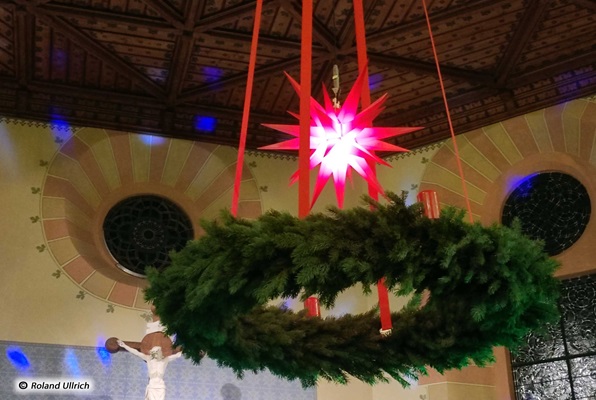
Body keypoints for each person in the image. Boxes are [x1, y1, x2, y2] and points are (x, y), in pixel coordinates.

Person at [117, 339, 182, 400]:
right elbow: (136, 352)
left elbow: (178, 355)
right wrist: (125, 346)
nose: (156, 353)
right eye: (155, 352)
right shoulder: (148, 359)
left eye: (158, 351)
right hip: (152, 385)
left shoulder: (165, 360)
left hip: (161, 386)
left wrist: (185, 347)